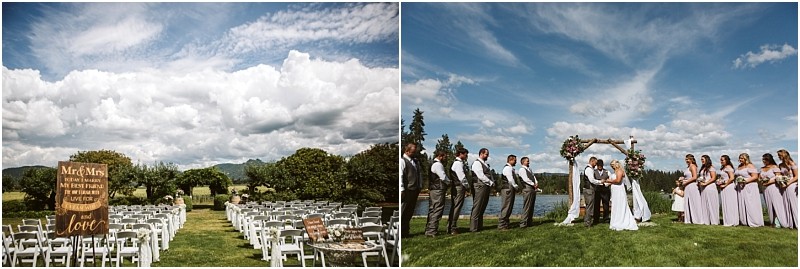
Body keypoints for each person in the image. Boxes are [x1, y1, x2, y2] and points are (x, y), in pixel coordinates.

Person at [604, 160, 638, 231]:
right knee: (616, 205)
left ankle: (621, 221)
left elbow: (618, 181)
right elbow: (614, 181)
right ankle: (616, 220)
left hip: (619, 191)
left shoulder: (619, 171)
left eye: (612, 166)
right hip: (615, 191)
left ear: (616, 165)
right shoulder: (615, 172)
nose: (612, 167)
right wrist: (606, 183)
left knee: (620, 205)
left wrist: (608, 181)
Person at [425, 150, 450, 237]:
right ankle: (432, 231)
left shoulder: (432, 164)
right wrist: (449, 182)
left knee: (432, 209)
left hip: (433, 189)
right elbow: (443, 177)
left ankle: (428, 229)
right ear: (440, 156)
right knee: (437, 209)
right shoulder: (438, 165)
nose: (445, 159)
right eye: (445, 157)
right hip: (438, 189)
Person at [760, 153, 789, 228]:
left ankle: (778, 222)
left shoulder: (775, 167)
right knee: (769, 204)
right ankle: (772, 221)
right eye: (763, 159)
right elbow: (759, 178)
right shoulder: (762, 168)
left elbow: (778, 177)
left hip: (774, 187)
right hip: (765, 189)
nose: (764, 161)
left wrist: (768, 182)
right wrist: (762, 181)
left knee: (775, 204)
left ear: (769, 159)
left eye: (765, 159)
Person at [736, 153, 763, 227]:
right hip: (740, 187)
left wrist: (744, 181)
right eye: (740, 158)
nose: (740, 160)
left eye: (742, 158)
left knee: (750, 203)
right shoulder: (739, 166)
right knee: (742, 202)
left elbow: (755, 177)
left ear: (746, 159)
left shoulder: (750, 166)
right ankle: (744, 220)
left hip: (750, 186)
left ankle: (754, 220)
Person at [400, 143, 421, 237]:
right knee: (403, 211)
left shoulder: (415, 161)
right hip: (407, 190)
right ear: (407, 151)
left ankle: (405, 231)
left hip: (414, 189)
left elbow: (419, 175)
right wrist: (402, 189)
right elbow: (400, 176)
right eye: (413, 151)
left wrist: (419, 186)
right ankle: (401, 232)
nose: (415, 153)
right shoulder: (402, 161)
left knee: (409, 212)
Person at [470, 148, 493, 232]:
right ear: (481, 154)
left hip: (485, 186)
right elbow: (480, 175)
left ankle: (479, 226)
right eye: (486, 154)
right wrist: (490, 182)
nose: (487, 156)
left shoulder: (485, 164)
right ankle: (473, 228)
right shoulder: (477, 163)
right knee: (477, 206)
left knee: (482, 206)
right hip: (480, 186)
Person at [448, 148, 470, 235]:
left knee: (455, 206)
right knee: (457, 207)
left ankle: (451, 226)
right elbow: (462, 177)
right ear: (461, 154)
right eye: (465, 154)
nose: (467, 156)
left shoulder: (458, 163)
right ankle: (452, 227)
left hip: (457, 186)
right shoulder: (458, 164)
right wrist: (467, 186)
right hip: (459, 187)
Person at [681, 154, 704, 224]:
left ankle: (697, 219)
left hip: (692, 186)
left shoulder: (693, 166)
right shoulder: (688, 167)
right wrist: (683, 179)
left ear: (691, 159)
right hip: (688, 186)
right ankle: (689, 218)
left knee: (694, 201)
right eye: (686, 159)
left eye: (687, 159)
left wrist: (685, 182)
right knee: (688, 202)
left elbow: (694, 177)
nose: (686, 161)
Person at [777, 149, 797, 229]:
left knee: (793, 202)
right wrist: (780, 181)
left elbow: (797, 176)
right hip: (783, 186)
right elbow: (780, 175)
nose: (779, 157)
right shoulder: (780, 165)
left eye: (780, 155)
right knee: (786, 203)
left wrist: (788, 183)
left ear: (784, 155)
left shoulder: (792, 163)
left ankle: (797, 222)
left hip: (791, 184)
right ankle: (790, 222)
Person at [498, 155, 519, 231]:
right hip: (507, 189)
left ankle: (506, 224)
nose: (516, 161)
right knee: (506, 206)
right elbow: (510, 179)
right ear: (510, 160)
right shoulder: (507, 168)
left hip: (509, 189)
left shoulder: (511, 168)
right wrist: (516, 186)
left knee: (509, 207)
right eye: (515, 160)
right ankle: (501, 225)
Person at [717, 155, 739, 226]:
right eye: (720, 160)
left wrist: (725, 184)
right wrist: (719, 181)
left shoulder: (729, 167)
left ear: (727, 160)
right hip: (724, 187)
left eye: (722, 160)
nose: (721, 161)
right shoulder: (723, 168)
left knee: (730, 203)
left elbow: (732, 178)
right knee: (726, 203)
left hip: (729, 187)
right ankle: (727, 220)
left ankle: (732, 221)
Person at [628, 157, 651, 223]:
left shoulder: (638, 170)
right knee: (636, 199)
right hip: (634, 182)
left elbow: (637, 171)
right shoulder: (632, 169)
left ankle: (638, 215)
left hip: (636, 183)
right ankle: (637, 215)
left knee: (638, 198)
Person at [698, 155, 719, 225]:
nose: (702, 161)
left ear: (707, 159)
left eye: (703, 159)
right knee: (704, 203)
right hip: (703, 188)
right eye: (701, 160)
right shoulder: (703, 168)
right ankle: (706, 220)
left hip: (710, 187)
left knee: (711, 203)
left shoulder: (711, 168)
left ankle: (714, 221)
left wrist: (706, 183)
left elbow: (713, 178)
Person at [518, 156, 538, 228]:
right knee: (527, 206)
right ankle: (523, 223)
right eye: (527, 161)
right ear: (523, 162)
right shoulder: (522, 170)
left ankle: (529, 222)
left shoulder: (529, 169)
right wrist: (533, 184)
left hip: (532, 188)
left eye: (528, 161)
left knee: (531, 206)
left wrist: (536, 183)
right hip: (527, 188)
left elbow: (533, 176)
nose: (529, 162)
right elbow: (525, 179)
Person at [582, 157, 601, 227]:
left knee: (588, 206)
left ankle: (587, 221)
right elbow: (592, 180)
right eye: (595, 163)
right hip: (589, 190)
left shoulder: (588, 169)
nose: (596, 165)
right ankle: (587, 222)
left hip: (587, 189)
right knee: (590, 206)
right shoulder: (589, 169)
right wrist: (600, 182)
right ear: (592, 161)